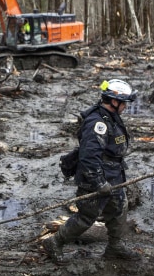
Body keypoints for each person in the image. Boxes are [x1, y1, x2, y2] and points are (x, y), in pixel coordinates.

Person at [42, 79, 140, 264]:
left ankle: (115, 247)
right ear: (113, 101)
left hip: (114, 174)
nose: (126, 106)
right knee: (86, 216)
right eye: (124, 102)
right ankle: (55, 243)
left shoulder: (110, 116)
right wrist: (98, 182)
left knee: (119, 209)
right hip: (95, 177)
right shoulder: (97, 123)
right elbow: (88, 157)